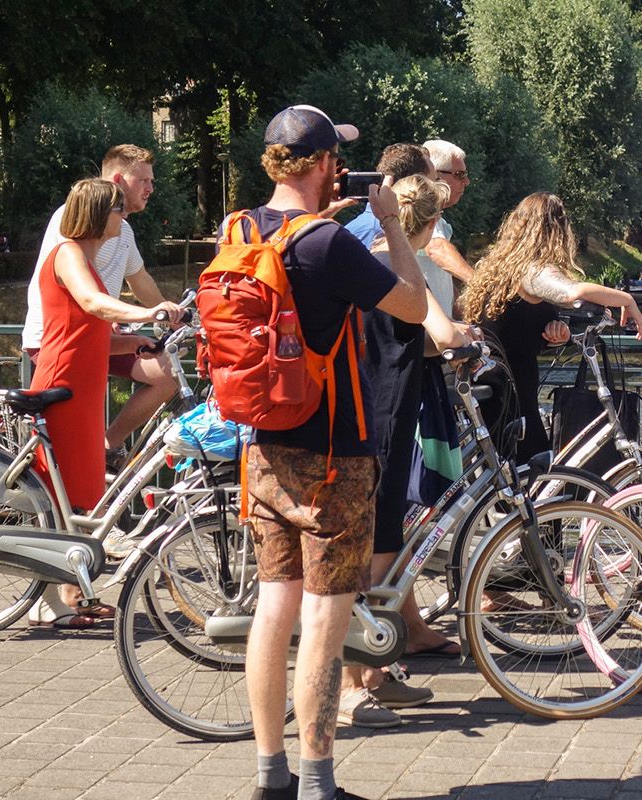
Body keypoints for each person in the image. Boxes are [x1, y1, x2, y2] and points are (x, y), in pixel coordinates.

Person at [242, 105, 427, 800]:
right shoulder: (325, 242)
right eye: (336, 158)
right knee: (324, 616)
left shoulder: (241, 229)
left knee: (273, 609)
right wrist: (386, 223)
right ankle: (318, 781)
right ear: (323, 165)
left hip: (263, 452)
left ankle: (270, 776)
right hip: (332, 459)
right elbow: (409, 303)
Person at [339, 160, 477, 729]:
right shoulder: (396, 268)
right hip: (385, 417)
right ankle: (354, 683)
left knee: (385, 544)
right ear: (430, 219)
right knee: (373, 549)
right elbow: (434, 327)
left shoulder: (373, 260)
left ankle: (376, 669)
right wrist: (468, 336)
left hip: (376, 410)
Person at [27, 179, 182, 629]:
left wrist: (140, 342)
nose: (124, 215)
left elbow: (92, 332)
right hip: (65, 382)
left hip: (83, 379)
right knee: (72, 496)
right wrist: (148, 313)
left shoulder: (88, 258)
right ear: (97, 213)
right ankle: (54, 601)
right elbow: (94, 306)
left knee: (79, 495)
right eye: (117, 209)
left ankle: (69, 597)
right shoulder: (69, 253)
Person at [21, 145, 177, 468]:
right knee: (66, 460)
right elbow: (86, 298)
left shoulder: (123, 231)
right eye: (144, 180)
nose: (151, 188)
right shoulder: (70, 230)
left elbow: (140, 279)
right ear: (119, 179)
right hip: (60, 342)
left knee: (167, 374)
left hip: (96, 337)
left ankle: (108, 446)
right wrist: (148, 314)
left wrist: (170, 315)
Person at [460, 192, 642, 464]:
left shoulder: (500, 268)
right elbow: (571, 292)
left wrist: (555, 332)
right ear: (556, 231)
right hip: (510, 395)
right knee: (531, 474)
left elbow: (514, 325)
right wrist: (626, 299)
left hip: (492, 380)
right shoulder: (531, 270)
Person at [346, 138, 475, 293]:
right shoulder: (376, 231)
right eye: (434, 181)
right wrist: (483, 286)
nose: (467, 181)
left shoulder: (391, 225)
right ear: (412, 184)